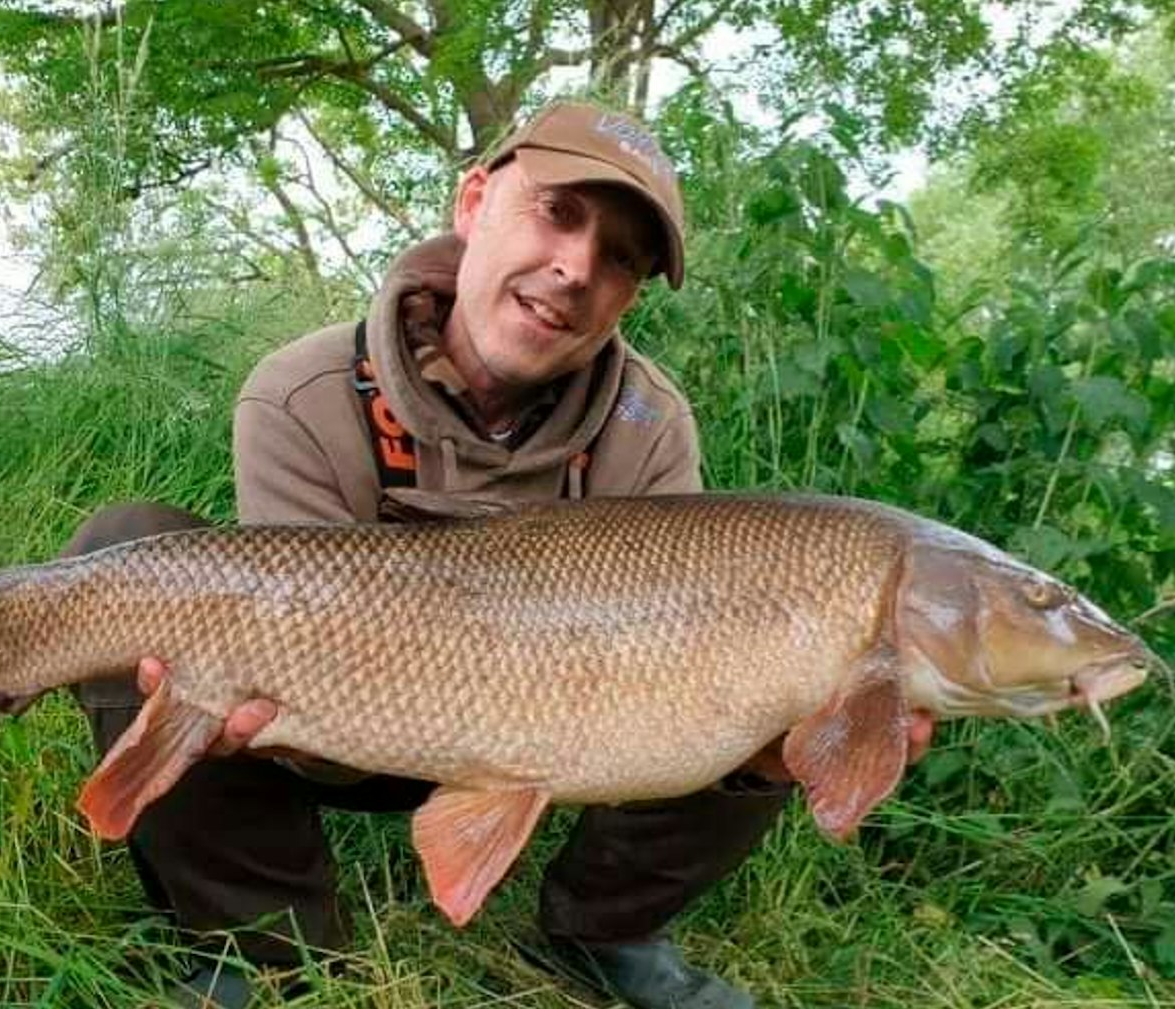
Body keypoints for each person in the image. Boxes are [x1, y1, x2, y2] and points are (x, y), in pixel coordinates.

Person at [64, 101, 934, 1009]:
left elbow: (687, 671)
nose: (576, 267)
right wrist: (270, 701)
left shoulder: (650, 425)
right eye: (558, 213)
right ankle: (264, 937)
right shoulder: (304, 391)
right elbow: (297, 680)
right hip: (339, 719)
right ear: (474, 201)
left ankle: (607, 929)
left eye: (623, 257)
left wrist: (772, 742)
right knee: (130, 550)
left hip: (573, 728)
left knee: (778, 663)